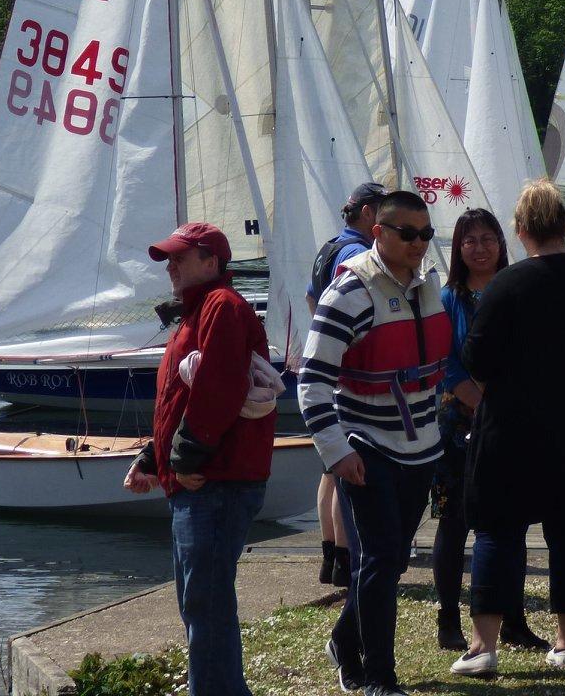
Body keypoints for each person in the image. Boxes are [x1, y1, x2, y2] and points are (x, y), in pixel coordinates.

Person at [449, 181, 565, 679]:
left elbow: (475, 359)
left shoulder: (508, 285)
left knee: (497, 533)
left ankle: (484, 645)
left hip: (512, 428)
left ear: (521, 229)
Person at [300, 191, 450, 696]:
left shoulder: (429, 285)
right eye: (406, 233)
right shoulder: (350, 292)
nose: (418, 243)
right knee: (382, 559)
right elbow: (313, 380)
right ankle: (380, 679)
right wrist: (336, 451)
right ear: (379, 232)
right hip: (368, 447)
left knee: (390, 559)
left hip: (422, 446)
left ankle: (344, 641)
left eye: (425, 233)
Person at [124, 222, 274, 696]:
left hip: (217, 481)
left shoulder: (221, 308)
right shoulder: (199, 311)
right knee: (200, 600)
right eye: (169, 258)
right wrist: (154, 459)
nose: (170, 266)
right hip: (206, 478)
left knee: (204, 602)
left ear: (212, 261)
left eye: (179, 258)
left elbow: (218, 390)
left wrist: (184, 460)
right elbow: (180, 401)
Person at [431, 208, 548, 653]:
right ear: (458, 249)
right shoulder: (448, 298)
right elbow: (448, 363)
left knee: (511, 521)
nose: (479, 248)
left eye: (487, 239)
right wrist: (480, 403)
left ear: (503, 243)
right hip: (460, 419)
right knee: (455, 520)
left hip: (511, 420)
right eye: (469, 241)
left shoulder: (516, 290)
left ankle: (514, 619)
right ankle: (448, 617)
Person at [305, 181, 388, 588]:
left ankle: (328, 557)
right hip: (348, 371)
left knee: (328, 470)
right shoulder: (358, 254)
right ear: (370, 213)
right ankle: (343, 558)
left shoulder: (328, 248)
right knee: (346, 471)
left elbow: (311, 300)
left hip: (328, 361)